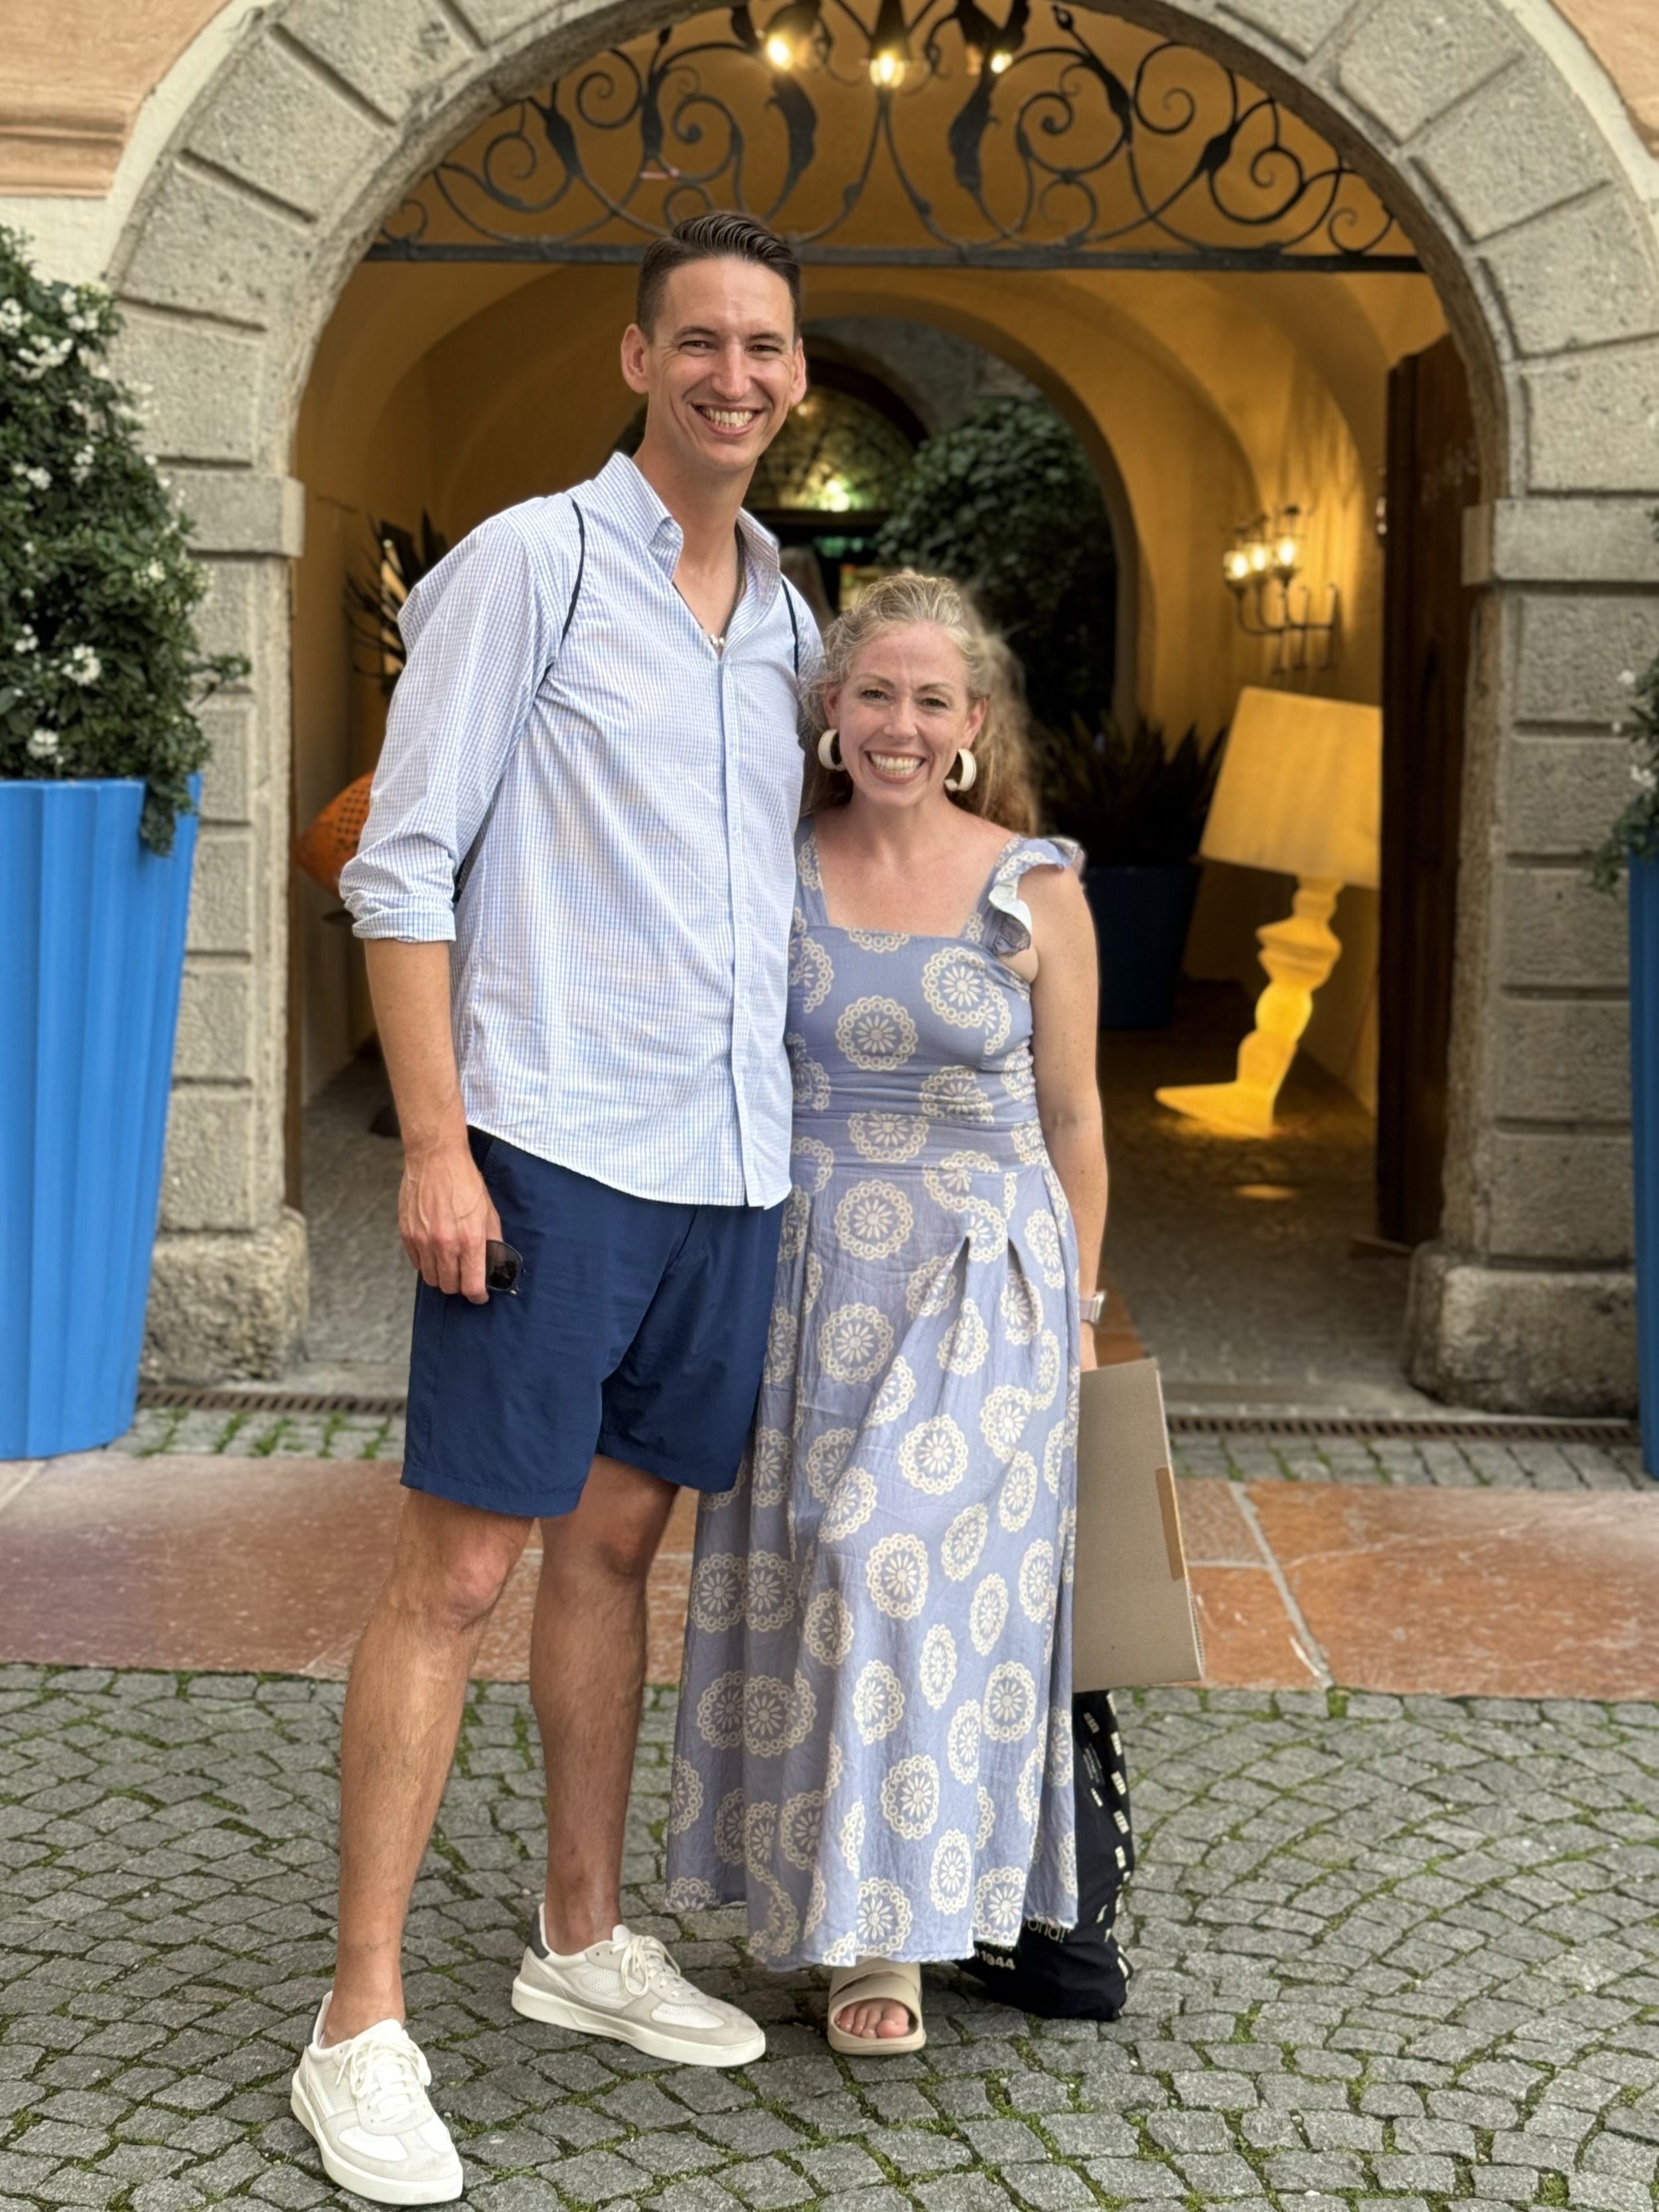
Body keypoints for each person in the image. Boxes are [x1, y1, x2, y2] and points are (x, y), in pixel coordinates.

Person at [295, 213, 814, 2206]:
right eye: (700, 341)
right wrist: (437, 1144)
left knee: (617, 1550)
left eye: (765, 347)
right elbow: (399, 865)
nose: (734, 377)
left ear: (791, 369)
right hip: (548, 1146)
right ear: (636, 359)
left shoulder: (781, 605)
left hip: (725, 1159)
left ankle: (579, 1938)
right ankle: (357, 2020)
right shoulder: (529, 560)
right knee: (455, 1571)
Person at [666, 571, 1109, 2050]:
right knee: (796, 1576)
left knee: (885, 1556)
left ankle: (891, 1940)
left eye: (930, 700)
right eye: (874, 696)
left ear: (971, 724)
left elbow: (1074, 1119)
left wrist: (1082, 1314)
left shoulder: (1034, 885)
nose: (900, 724)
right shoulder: (771, 863)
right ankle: (818, 1907)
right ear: (830, 714)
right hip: (801, 1273)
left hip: (982, 1281)